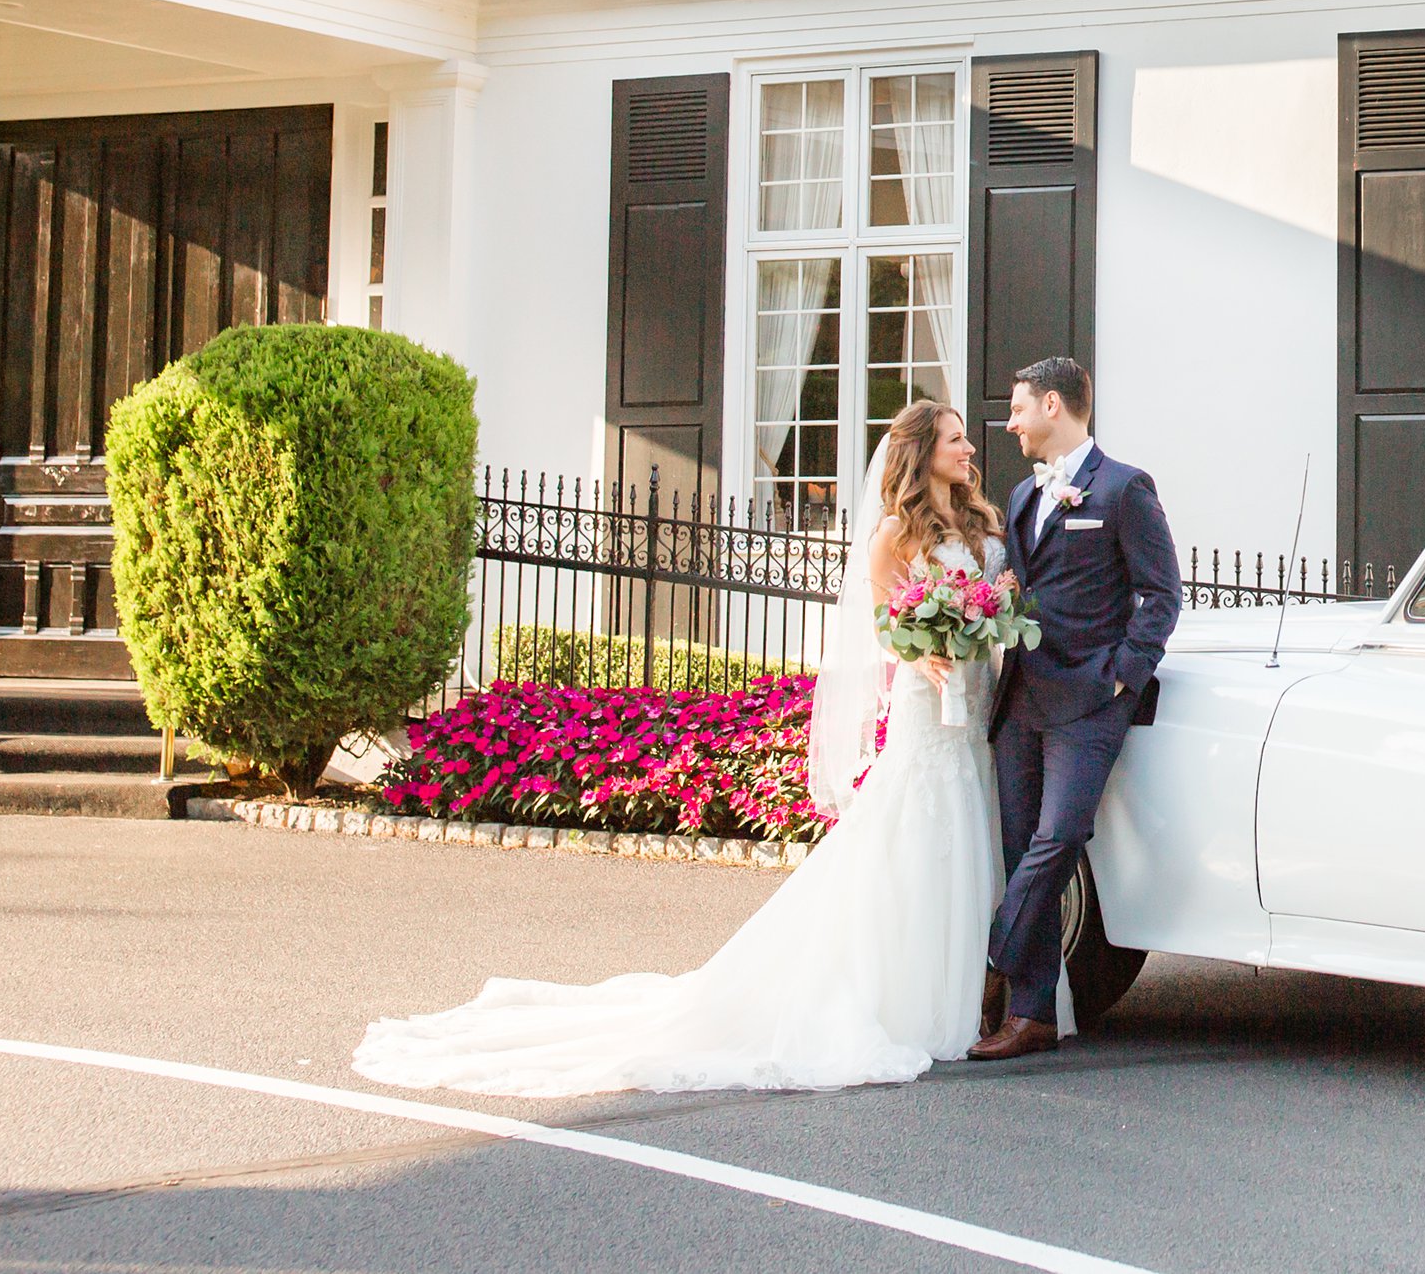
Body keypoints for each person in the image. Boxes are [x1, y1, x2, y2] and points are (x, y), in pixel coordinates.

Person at [349, 401, 1006, 1096]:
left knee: (968, 837)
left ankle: (966, 993)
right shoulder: (894, 536)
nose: (968, 448)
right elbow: (882, 627)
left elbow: (994, 595)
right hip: (924, 708)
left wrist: (990, 617)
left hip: (979, 706)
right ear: (921, 452)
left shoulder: (984, 523)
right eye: (956, 439)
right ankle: (911, 999)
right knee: (916, 845)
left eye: (965, 438)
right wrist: (925, 649)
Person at [968, 356, 1180, 1062]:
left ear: (1054, 405)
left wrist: (1123, 677)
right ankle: (1030, 1014)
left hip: (1089, 704)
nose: (1010, 422)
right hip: (1021, 701)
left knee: (1060, 838)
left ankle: (996, 954)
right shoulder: (1023, 496)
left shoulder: (1124, 489)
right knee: (1018, 847)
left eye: (1018, 408)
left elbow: (1161, 594)